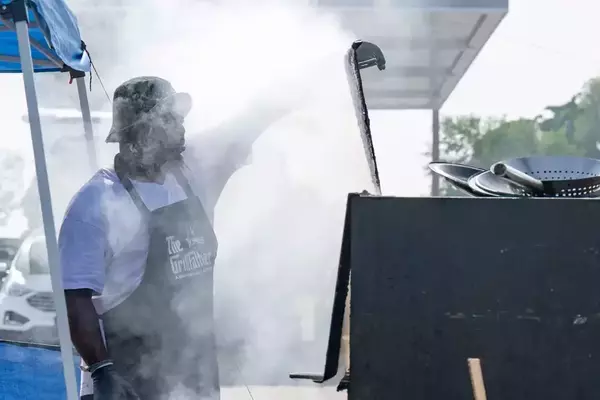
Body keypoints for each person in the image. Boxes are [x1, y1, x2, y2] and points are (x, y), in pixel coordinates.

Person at [59, 76, 293, 399]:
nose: (182, 123)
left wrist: (336, 66)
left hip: (194, 384)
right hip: (126, 388)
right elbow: (75, 297)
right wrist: (101, 371)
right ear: (144, 132)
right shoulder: (95, 204)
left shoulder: (194, 169)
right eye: (170, 117)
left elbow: (254, 117)